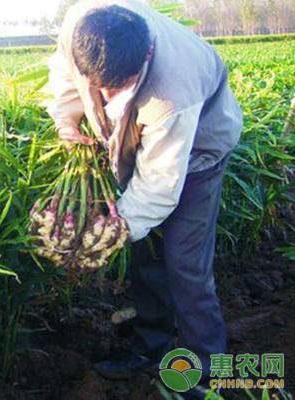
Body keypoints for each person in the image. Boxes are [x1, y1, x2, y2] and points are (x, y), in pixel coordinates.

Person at [45, 0, 243, 397]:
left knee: (185, 264)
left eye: (117, 87)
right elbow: (66, 74)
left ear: (145, 57)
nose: (106, 95)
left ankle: (206, 373)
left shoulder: (172, 94)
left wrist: (109, 234)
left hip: (199, 152)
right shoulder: (81, 29)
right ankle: (150, 350)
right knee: (147, 255)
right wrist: (66, 117)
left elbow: (158, 187)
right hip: (143, 144)